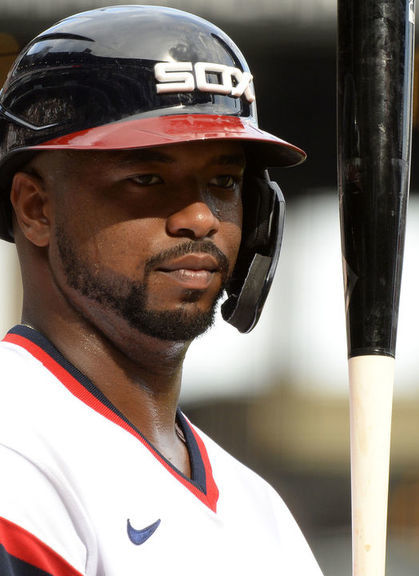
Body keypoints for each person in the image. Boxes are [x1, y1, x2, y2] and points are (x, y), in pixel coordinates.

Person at [0, 5, 324, 575]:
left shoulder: (263, 515)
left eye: (223, 181)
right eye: (147, 178)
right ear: (36, 208)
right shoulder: (16, 446)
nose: (200, 216)